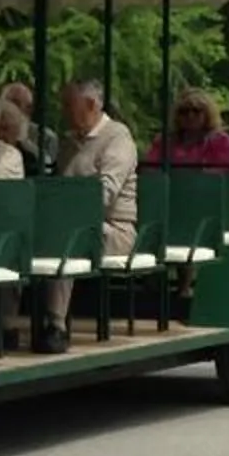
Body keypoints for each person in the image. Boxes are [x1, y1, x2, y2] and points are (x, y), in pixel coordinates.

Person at [36, 77, 138, 353]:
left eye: (69, 105)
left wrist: (66, 212)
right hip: (71, 224)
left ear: (91, 104)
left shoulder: (118, 138)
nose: (64, 112)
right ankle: (4, 322)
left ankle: (56, 325)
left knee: (64, 236)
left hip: (114, 229)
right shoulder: (69, 142)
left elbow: (105, 194)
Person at [147, 86, 229, 170]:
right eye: (184, 111)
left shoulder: (220, 141)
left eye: (196, 111)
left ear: (207, 114)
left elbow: (222, 172)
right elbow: (150, 170)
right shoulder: (164, 142)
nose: (190, 116)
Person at [0, 80, 56, 170]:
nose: (18, 109)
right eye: (14, 102)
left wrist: (24, 142)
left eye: (27, 106)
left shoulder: (46, 137)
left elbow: (48, 168)